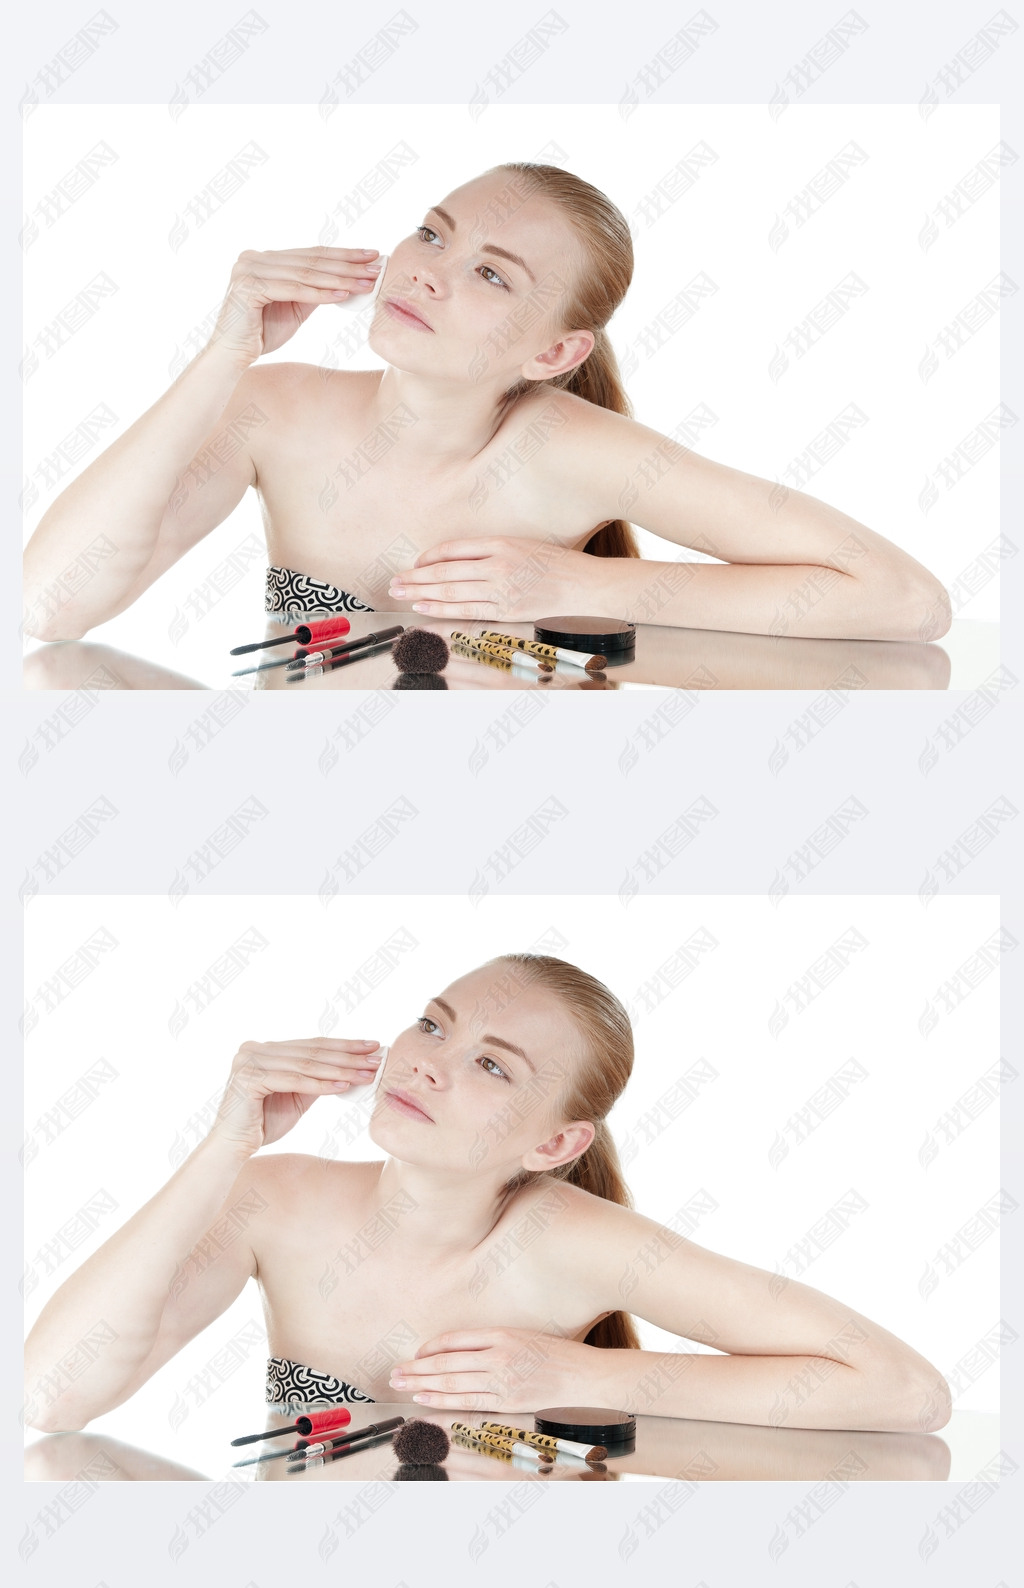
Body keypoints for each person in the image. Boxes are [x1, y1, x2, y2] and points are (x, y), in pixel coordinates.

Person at [23, 164, 951, 646]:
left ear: (554, 353)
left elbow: (905, 600)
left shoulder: (578, 450)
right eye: (433, 230)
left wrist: (574, 588)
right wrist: (224, 355)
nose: (426, 270)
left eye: (491, 276)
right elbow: (51, 604)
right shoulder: (276, 409)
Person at [24, 954, 951, 1435]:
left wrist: (576, 1377)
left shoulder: (579, 1242)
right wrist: (225, 1145)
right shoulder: (277, 1201)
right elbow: (51, 1395)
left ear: (555, 1144)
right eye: (434, 1022)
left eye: (491, 1067)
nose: (425, 1062)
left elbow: (904, 1391)